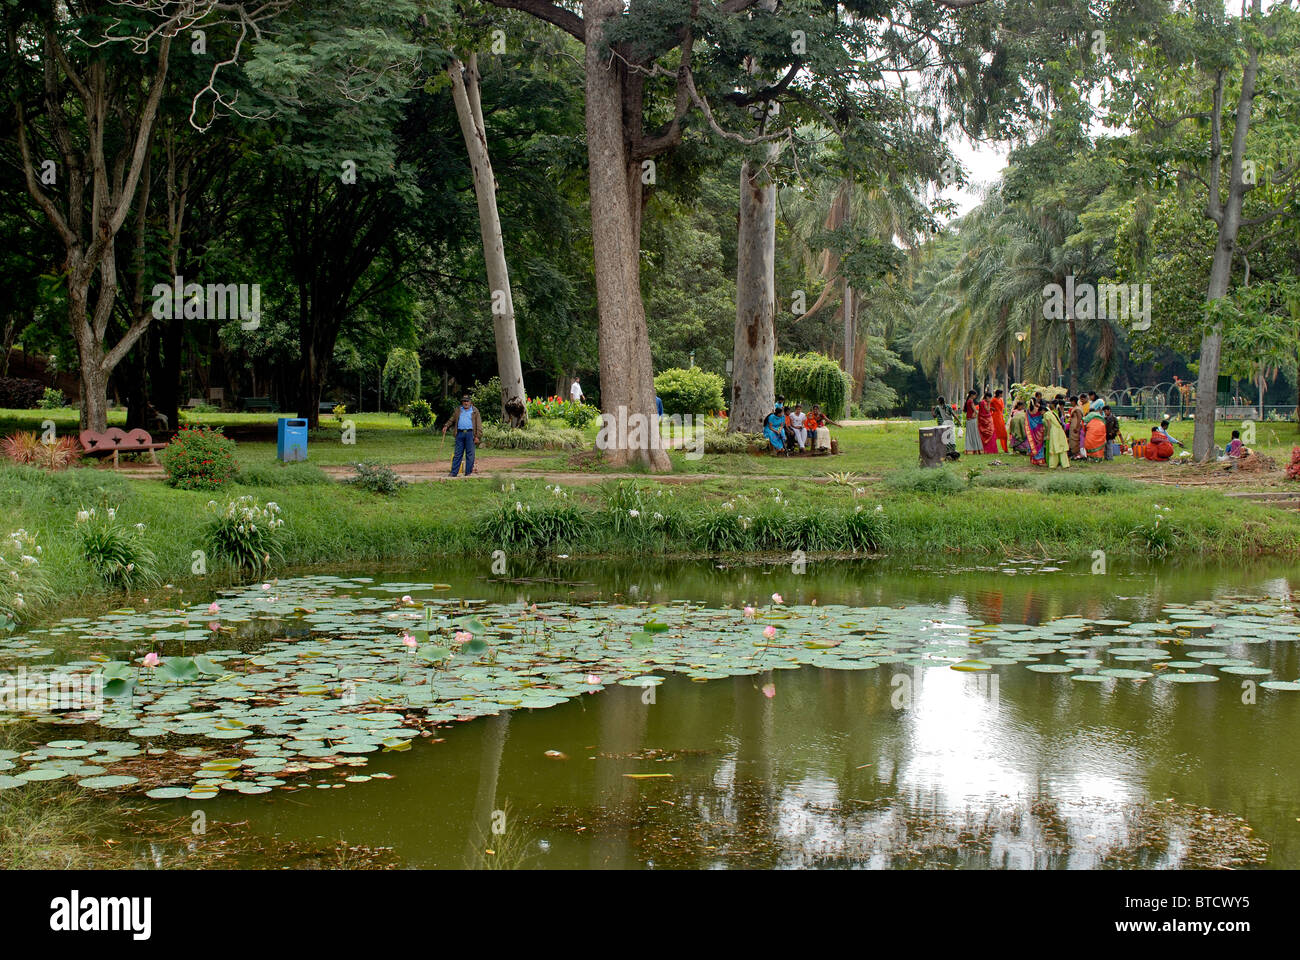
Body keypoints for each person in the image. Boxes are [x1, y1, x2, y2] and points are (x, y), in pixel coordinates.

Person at [441, 393, 482, 477]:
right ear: (462, 402)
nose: (466, 403)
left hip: (470, 434)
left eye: (467, 401)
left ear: (470, 402)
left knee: (470, 454)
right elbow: (452, 419)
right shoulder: (458, 410)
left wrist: (478, 436)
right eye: (464, 401)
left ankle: (468, 473)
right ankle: (453, 473)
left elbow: (479, 424)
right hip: (459, 433)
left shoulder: (475, 411)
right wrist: (446, 426)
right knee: (457, 454)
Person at [1044, 400, 1070, 469]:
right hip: (1060, 430)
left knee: (1053, 447)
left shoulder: (1047, 414)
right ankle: (1065, 464)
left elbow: (1049, 425)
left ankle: (1053, 464)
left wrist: (1048, 434)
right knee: (1062, 446)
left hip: (1053, 431)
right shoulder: (1057, 412)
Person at [933, 396, 959, 460]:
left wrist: (932, 410)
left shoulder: (937, 408)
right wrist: (959, 421)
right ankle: (953, 450)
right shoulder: (948, 406)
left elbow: (934, 416)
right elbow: (953, 414)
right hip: (950, 423)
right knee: (951, 437)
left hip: (943, 424)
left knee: (944, 438)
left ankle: (946, 452)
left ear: (939, 401)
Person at [1026, 400, 1047, 466]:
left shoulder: (1028, 410)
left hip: (1032, 430)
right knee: (1040, 445)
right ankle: (1040, 460)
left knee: (1034, 444)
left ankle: (1034, 460)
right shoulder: (1038, 409)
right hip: (1039, 429)